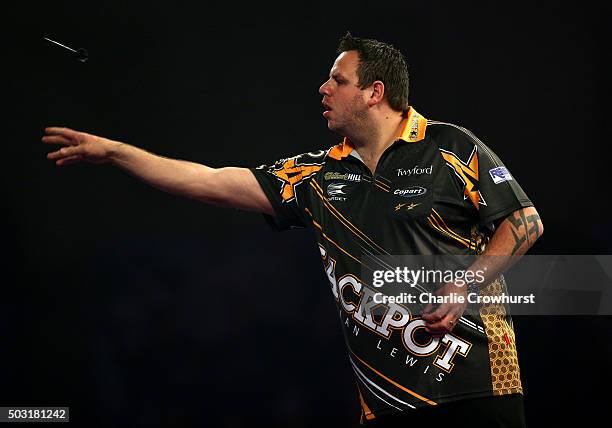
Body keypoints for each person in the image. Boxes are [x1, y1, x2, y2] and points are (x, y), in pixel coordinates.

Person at [42, 32, 542, 427]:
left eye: (337, 80)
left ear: (374, 92)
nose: (323, 89)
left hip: (481, 384)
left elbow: (524, 221)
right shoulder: (315, 178)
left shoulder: (450, 146)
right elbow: (211, 181)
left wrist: (466, 284)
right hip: (389, 403)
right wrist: (115, 153)